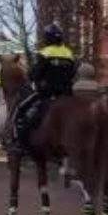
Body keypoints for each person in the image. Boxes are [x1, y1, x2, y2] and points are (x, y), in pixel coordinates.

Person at [11, 24, 77, 153]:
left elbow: (35, 74)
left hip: (46, 93)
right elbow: (73, 73)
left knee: (20, 110)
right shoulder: (69, 53)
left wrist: (30, 75)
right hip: (67, 94)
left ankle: (19, 143)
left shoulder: (45, 53)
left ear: (47, 38)